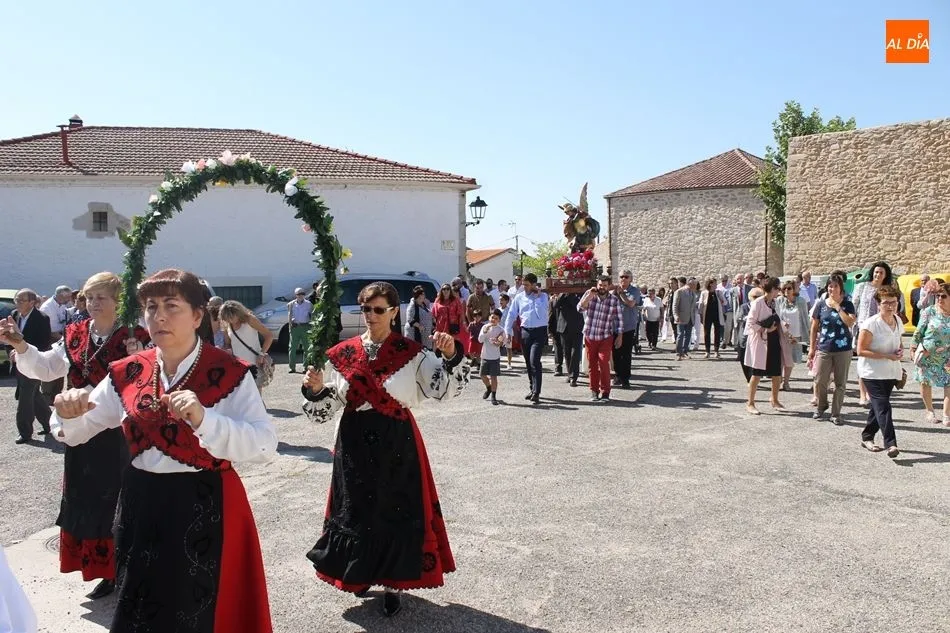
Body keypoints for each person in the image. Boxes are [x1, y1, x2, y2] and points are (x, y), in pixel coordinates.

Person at [49, 269, 276, 633]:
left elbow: (264, 445)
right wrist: (68, 414)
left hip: (206, 503)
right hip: (141, 502)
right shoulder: (127, 372)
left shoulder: (229, 371)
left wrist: (205, 419)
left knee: (199, 608)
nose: (159, 316)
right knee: (142, 603)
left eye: (172, 306)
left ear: (197, 316)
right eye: (151, 307)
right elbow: (80, 430)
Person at [300, 282, 469, 618]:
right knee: (357, 510)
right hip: (353, 442)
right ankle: (360, 571)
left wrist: (451, 355)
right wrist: (316, 390)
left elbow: (444, 389)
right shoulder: (344, 353)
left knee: (394, 510)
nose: (371, 315)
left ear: (394, 312)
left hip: (396, 443)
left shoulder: (411, 353)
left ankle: (393, 584)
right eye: (366, 309)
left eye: (379, 309)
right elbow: (331, 404)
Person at [1, 273, 149, 601]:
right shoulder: (76, 332)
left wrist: (139, 357)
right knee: (87, 498)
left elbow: (150, 385)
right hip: (80, 431)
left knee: (119, 500)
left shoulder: (136, 336)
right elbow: (47, 367)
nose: (93, 303)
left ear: (119, 302)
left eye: (101, 298)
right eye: (89, 297)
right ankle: (105, 570)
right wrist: (20, 345)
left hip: (120, 434)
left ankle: (127, 568)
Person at [856, 285, 904, 457]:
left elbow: (899, 341)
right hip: (871, 372)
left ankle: (867, 436)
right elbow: (860, 350)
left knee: (878, 408)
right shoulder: (871, 324)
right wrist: (886, 356)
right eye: (886, 303)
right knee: (884, 407)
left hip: (890, 372)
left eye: (894, 302)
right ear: (878, 304)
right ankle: (891, 444)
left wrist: (900, 351)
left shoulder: (898, 320)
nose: (890, 306)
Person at [809, 274, 857, 425]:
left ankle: (836, 413)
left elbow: (850, 322)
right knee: (819, 380)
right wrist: (812, 348)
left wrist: (838, 307)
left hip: (843, 349)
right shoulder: (820, 305)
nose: (832, 289)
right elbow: (814, 327)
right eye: (830, 286)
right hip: (824, 347)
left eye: (836, 286)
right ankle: (822, 405)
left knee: (840, 383)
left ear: (841, 288)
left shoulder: (848, 304)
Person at [10, 289, 52, 444]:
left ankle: (25, 432)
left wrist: (24, 352)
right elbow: (10, 337)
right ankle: (50, 423)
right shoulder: (14, 315)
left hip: (34, 364)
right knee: (35, 395)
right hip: (18, 362)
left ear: (32, 302)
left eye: (21, 300)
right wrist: (13, 352)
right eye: (16, 300)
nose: (17, 303)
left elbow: (44, 344)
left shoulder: (42, 318)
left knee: (25, 397)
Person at [744, 277, 791, 414]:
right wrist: (765, 329)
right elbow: (750, 323)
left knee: (776, 372)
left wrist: (783, 325)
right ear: (772, 289)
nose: (779, 291)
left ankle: (774, 399)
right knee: (757, 373)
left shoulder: (774, 303)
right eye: (778, 288)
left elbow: (777, 318)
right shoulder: (758, 303)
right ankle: (750, 403)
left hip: (774, 339)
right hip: (760, 341)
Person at [503, 273, 549, 404]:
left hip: (539, 331)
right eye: (524, 285)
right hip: (525, 332)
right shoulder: (519, 297)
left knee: (535, 361)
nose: (525, 287)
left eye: (527, 285)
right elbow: (512, 314)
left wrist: (538, 297)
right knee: (528, 362)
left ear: (534, 285)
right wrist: (507, 331)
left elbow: (542, 313)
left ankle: (537, 392)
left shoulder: (543, 297)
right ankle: (532, 388)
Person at [910, 282, 950, 425]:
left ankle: (946, 415)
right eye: (937, 295)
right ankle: (930, 411)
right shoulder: (929, 311)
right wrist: (913, 348)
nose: (939, 298)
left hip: (947, 356)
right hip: (927, 354)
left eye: (943, 296)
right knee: (925, 381)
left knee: (949, 384)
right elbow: (918, 331)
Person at [579, 276, 624, 402]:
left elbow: (619, 319)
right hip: (590, 335)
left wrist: (620, 336)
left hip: (605, 336)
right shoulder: (590, 295)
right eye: (600, 285)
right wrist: (589, 297)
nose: (602, 288)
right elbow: (580, 308)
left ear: (608, 286)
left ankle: (605, 392)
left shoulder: (614, 300)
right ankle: (594, 391)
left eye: (604, 285)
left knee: (604, 363)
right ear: (597, 284)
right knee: (592, 365)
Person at [219, 300, 275, 391]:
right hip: (238, 367)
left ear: (238, 313)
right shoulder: (227, 325)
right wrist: (225, 350)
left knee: (256, 396)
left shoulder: (250, 319)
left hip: (254, 364)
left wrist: (262, 354)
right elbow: (228, 344)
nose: (230, 320)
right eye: (226, 318)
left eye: (231, 317)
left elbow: (269, 336)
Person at [775, 281, 809, 391]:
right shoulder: (779, 300)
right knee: (781, 359)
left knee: (790, 360)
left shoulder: (801, 301)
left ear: (794, 290)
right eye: (784, 288)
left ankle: (786, 382)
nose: (786, 291)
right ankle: (779, 381)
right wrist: (782, 323)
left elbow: (805, 318)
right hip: (782, 334)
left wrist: (807, 334)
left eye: (789, 288)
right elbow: (776, 316)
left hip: (796, 335)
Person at [612, 270, 641, 388]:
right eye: (621, 277)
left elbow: (630, 303)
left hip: (628, 326)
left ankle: (625, 378)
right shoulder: (614, 290)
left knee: (626, 353)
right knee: (615, 353)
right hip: (614, 326)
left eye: (626, 277)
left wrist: (621, 294)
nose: (623, 279)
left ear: (630, 279)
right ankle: (618, 375)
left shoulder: (635, 291)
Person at [553, 292, 583, 385]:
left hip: (577, 327)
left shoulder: (580, 293)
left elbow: (578, 306)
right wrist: (563, 294)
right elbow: (555, 305)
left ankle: (574, 376)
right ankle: (570, 374)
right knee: (567, 353)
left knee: (575, 353)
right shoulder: (563, 294)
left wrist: (571, 295)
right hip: (564, 327)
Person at [478, 309, 507, 405]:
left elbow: (503, 342)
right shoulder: (484, 327)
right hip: (485, 356)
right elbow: (480, 340)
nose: (493, 319)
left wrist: (499, 342)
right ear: (489, 317)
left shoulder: (501, 330)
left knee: (493, 377)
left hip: (495, 357)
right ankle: (489, 388)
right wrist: (485, 332)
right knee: (482, 375)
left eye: (496, 318)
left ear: (499, 320)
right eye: (492, 317)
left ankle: (493, 396)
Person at [287, 287, 313, 373]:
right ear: (296, 295)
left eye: (303, 293)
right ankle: (292, 367)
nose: (301, 295)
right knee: (292, 348)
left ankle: (305, 367)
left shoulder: (309, 304)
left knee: (307, 348)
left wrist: (312, 327)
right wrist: (290, 325)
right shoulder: (291, 304)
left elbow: (312, 315)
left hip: (306, 326)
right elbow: (289, 315)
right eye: (299, 294)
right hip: (295, 327)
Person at [698, 277, 725, 359]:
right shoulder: (704, 293)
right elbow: (701, 304)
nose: (716, 285)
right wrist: (700, 314)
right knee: (707, 333)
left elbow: (725, 302)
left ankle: (716, 351)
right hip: (707, 315)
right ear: (710, 284)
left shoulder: (718, 292)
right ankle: (707, 351)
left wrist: (722, 300)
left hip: (716, 315)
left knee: (717, 332)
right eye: (715, 283)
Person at [672, 276, 696, 361]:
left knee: (688, 335)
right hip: (681, 317)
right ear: (689, 284)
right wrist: (676, 316)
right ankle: (679, 353)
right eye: (694, 284)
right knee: (680, 335)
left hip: (690, 318)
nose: (695, 286)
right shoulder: (679, 292)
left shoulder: (693, 293)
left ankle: (685, 351)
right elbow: (675, 305)